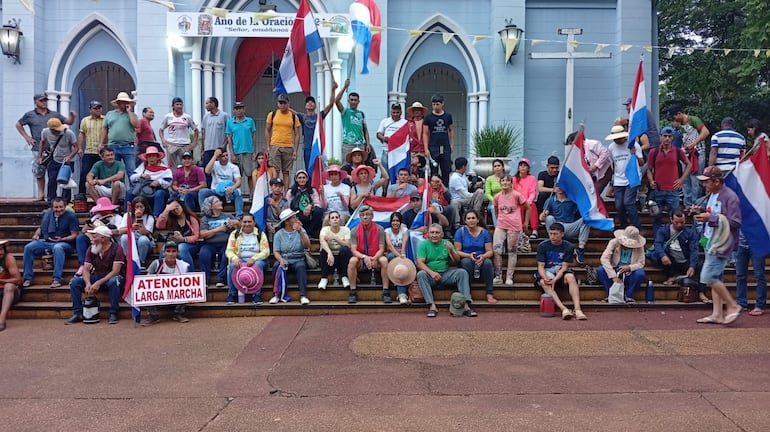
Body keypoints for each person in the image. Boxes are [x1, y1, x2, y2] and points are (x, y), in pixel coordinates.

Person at [690, 166, 742, 325]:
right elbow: (713, 213)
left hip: (721, 243)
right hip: (709, 240)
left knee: (708, 277)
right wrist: (701, 211)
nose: (704, 185)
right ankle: (717, 314)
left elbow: (735, 222)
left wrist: (710, 218)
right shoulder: (713, 194)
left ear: (717, 181)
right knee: (716, 278)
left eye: (707, 182)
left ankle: (733, 305)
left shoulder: (730, 197)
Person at [17, 93, 76, 201]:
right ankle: (41, 195)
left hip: (56, 150)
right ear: (35, 102)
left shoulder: (54, 114)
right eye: (41, 101)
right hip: (39, 147)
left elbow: (68, 121)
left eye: (45, 100)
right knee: (40, 172)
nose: (44, 102)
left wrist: (72, 116)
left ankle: (59, 199)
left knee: (56, 174)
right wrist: (27, 137)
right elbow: (18, 124)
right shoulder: (30, 115)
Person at [66, 225, 125, 325]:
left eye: (95, 236)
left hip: (111, 277)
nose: (92, 239)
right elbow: (86, 269)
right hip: (97, 276)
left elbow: (115, 271)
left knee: (114, 281)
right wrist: (88, 282)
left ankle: (113, 313)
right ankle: (78, 313)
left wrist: (99, 282)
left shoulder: (117, 249)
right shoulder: (91, 249)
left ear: (103, 238)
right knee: (75, 282)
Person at [416, 223, 477, 318]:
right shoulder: (424, 244)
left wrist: (451, 251)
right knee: (421, 274)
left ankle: (465, 305)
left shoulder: (447, 243)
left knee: (462, 272)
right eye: (432, 233)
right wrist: (432, 273)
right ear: (428, 234)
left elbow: (457, 261)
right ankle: (432, 306)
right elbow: (419, 263)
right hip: (430, 275)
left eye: (437, 233)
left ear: (442, 234)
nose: (434, 235)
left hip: (446, 274)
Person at [22, 198, 80, 288]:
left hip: (65, 243)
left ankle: (57, 279)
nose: (59, 209)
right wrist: (36, 234)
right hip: (47, 241)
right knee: (29, 247)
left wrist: (63, 239)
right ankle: (28, 278)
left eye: (61, 207)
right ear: (52, 207)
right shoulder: (48, 214)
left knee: (58, 248)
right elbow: (41, 227)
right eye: (56, 207)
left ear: (65, 206)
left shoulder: (71, 216)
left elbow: (75, 235)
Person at [534, 222, 587, 320]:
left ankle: (578, 309)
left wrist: (556, 279)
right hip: (547, 271)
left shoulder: (568, 246)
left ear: (562, 234)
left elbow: (564, 267)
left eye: (555, 234)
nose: (552, 236)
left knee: (571, 277)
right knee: (544, 282)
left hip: (560, 271)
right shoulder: (542, 246)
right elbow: (540, 266)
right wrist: (545, 277)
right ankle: (564, 309)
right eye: (550, 234)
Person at [646, 126, 691, 234]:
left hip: (673, 190)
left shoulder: (677, 151)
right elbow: (649, 169)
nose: (667, 139)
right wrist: (651, 181)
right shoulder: (654, 152)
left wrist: (681, 180)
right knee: (657, 217)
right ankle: (658, 239)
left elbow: (689, 165)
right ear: (660, 137)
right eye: (665, 136)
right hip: (658, 189)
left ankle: (674, 239)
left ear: (673, 138)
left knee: (675, 217)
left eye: (670, 136)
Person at [667, 105, 710, 207]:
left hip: (697, 153)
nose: (674, 120)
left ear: (679, 113)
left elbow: (705, 132)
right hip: (685, 154)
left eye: (674, 118)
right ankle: (688, 205)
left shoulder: (693, 120)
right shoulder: (679, 126)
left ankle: (696, 204)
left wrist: (694, 143)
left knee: (696, 180)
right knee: (685, 180)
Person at [346, 205, 390, 304]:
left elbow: (382, 248)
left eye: (367, 214)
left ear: (372, 216)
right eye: (362, 215)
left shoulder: (380, 229)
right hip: (362, 258)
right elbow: (353, 250)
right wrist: (365, 257)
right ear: (360, 217)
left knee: (384, 260)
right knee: (352, 261)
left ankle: (386, 291)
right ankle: (353, 291)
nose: (365, 217)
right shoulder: (354, 230)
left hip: (376, 257)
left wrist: (374, 258)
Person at [140, 240, 191, 325]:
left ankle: (178, 313)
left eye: (174, 251)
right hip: (158, 297)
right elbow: (146, 282)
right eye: (168, 251)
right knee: (147, 291)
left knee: (186, 289)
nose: (171, 254)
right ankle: (153, 316)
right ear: (164, 253)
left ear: (178, 253)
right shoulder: (156, 264)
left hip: (176, 297)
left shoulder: (184, 266)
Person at [74, 197, 125, 277]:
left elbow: (118, 231)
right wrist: (86, 228)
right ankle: (83, 264)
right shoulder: (96, 217)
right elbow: (84, 230)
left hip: (110, 240)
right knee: (81, 238)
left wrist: (101, 230)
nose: (101, 212)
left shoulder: (117, 218)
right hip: (94, 239)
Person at [225, 213, 269, 304]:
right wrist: (234, 258)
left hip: (257, 260)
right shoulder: (235, 234)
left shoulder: (260, 234)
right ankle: (232, 295)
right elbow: (229, 250)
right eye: (244, 222)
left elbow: (266, 251)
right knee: (232, 266)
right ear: (240, 222)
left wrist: (254, 258)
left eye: (249, 222)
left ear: (254, 222)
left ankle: (256, 295)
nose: (247, 224)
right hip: (240, 259)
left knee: (258, 265)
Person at [539, 185, 589, 264]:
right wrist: (543, 215)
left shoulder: (573, 199)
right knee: (549, 218)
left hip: (569, 226)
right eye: (558, 186)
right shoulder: (550, 200)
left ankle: (580, 249)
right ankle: (553, 240)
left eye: (562, 186)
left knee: (586, 219)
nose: (560, 188)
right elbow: (543, 216)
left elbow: (583, 207)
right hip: (557, 226)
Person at [454, 210, 495, 303]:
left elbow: (490, 251)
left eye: (473, 218)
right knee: (466, 263)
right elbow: (457, 251)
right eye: (468, 218)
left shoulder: (484, 232)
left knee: (488, 263)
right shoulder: (460, 232)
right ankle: (467, 294)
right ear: (465, 221)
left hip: (481, 257)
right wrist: (469, 255)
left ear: (477, 220)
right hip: (466, 257)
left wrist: (483, 257)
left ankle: (489, 293)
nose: (471, 220)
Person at [597, 226, 647, 303]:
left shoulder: (639, 246)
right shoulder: (614, 242)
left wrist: (630, 267)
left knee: (640, 274)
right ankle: (611, 294)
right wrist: (613, 275)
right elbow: (604, 258)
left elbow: (641, 263)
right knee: (600, 270)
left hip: (630, 272)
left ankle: (629, 295)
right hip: (615, 269)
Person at [606, 124, 643, 229]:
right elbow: (612, 164)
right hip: (618, 180)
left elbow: (641, 162)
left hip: (631, 178)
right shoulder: (611, 147)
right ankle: (624, 225)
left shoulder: (633, 145)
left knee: (628, 203)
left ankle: (637, 226)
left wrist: (634, 154)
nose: (616, 140)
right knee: (619, 206)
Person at [200, 195, 241, 288]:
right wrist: (219, 229)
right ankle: (205, 280)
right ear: (211, 206)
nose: (220, 202)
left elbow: (240, 227)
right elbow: (203, 234)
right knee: (203, 254)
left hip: (225, 243)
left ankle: (221, 279)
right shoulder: (205, 219)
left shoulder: (228, 216)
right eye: (217, 201)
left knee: (227, 254)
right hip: (209, 244)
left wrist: (237, 223)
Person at [272, 209, 312, 305]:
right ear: (286, 221)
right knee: (276, 265)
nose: (296, 219)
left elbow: (307, 245)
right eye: (293, 217)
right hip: (285, 259)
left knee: (301, 266)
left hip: (298, 258)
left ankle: (303, 295)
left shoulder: (301, 230)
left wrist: (300, 233)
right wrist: (281, 259)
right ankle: (277, 294)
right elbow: (276, 251)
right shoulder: (279, 234)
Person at [493, 174, 526, 286]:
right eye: (503, 181)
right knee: (496, 250)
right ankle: (498, 276)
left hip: (514, 226)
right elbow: (496, 209)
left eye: (507, 181)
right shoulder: (497, 196)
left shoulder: (517, 195)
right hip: (501, 225)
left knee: (512, 251)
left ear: (511, 183)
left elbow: (528, 207)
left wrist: (525, 222)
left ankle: (509, 277)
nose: (505, 183)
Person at [38, 118, 79, 203]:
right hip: (54, 159)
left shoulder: (68, 133)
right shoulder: (45, 132)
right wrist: (40, 156)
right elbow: (42, 143)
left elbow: (76, 147)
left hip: (67, 161)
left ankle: (66, 201)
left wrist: (69, 156)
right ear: (51, 130)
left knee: (65, 183)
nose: (58, 132)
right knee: (52, 181)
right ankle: (51, 201)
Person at [298, 82, 337, 171]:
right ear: (305, 106)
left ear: (315, 105)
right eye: (308, 102)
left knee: (319, 169)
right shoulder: (302, 116)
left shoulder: (319, 115)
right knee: (309, 169)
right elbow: (290, 111)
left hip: (318, 146)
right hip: (307, 147)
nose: (310, 103)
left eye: (312, 102)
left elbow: (331, 104)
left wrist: (333, 90)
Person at [266, 94, 302, 188]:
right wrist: (268, 145)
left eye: (284, 103)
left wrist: (295, 150)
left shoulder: (293, 116)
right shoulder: (272, 114)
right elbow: (267, 129)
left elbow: (297, 134)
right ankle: (275, 191)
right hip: (275, 145)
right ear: (278, 104)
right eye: (280, 103)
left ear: (288, 103)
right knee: (275, 170)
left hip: (288, 146)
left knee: (286, 171)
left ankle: (285, 193)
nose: (282, 105)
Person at [127, 146, 173, 217]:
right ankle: (127, 215)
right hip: (143, 187)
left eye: (153, 156)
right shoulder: (143, 166)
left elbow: (169, 182)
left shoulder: (165, 169)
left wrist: (159, 182)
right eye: (149, 156)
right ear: (147, 158)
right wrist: (141, 175)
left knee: (159, 194)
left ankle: (156, 216)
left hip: (158, 189)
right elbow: (132, 177)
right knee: (129, 193)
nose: (151, 158)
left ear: (157, 157)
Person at [102, 91, 140, 176]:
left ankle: (133, 189)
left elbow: (136, 125)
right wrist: (101, 143)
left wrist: (130, 112)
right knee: (115, 171)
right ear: (118, 103)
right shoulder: (110, 114)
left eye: (126, 102)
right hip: (113, 146)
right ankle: (117, 188)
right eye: (122, 102)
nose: (124, 103)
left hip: (128, 146)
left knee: (131, 171)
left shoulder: (132, 115)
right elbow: (104, 129)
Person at [199, 146, 244, 218]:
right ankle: (205, 213)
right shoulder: (215, 164)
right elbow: (207, 171)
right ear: (219, 158)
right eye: (223, 156)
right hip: (215, 192)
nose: (226, 157)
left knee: (237, 192)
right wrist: (214, 156)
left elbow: (238, 181)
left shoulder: (233, 167)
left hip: (228, 193)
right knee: (202, 192)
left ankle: (239, 216)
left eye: (227, 155)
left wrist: (233, 188)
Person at [155, 198, 200, 269]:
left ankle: (190, 273)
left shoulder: (191, 218)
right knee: (164, 248)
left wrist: (183, 239)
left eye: (177, 207)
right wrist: (166, 210)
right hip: (174, 243)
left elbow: (196, 236)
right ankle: (163, 272)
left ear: (181, 205)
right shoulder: (171, 219)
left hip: (191, 245)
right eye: (172, 210)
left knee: (181, 248)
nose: (175, 210)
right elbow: (158, 226)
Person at [567, 130, 612, 196]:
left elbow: (605, 154)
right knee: (590, 194)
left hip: (604, 171)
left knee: (595, 193)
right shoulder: (578, 151)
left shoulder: (593, 144)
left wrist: (596, 166)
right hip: (592, 175)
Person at [335, 78, 371, 160]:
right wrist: (345, 87)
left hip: (360, 145)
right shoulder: (345, 112)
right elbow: (336, 101)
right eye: (351, 100)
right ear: (348, 101)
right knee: (346, 167)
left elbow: (365, 130)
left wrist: (368, 144)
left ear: (358, 101)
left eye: (355, 100)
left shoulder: (361, 114)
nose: (353, 102)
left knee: (359, 168)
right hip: (348, 144)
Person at [226, 101, 257, 192]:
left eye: (241, 108)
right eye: (237, 109)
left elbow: (253, 136)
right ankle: (236, 194)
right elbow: (229, 138)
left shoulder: (250, 121)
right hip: (236, 152)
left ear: (244, 109)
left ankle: (251, 195)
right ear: (234, 110)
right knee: (236, 176)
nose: (239, 110)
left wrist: (254, 151)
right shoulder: (230, 122)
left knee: (250, 174)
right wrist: (231, 153)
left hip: (248, 151)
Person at [159, 97, 198, 169]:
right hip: (171, 144)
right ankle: (173, 179)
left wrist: (194, 143)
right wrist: (163, 140)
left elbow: (195, 130)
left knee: (187, 165)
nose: (179, 106)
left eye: (181, 104)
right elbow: (161, 130)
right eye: (177, 104)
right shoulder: (168, 117)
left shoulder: (187, 117)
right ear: (173, 106)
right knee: (171, 166)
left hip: (184, 144)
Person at [423, 94, 454, 186]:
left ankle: (445, 191)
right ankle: (433, 192)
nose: (435, 106)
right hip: (433, 146)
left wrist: (451, 144)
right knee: (433, 169)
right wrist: (426, 148)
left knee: (446, 169)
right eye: (434, 104)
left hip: (445, 146)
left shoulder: (448, 116)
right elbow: (425, 133)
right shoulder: (428, 117)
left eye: (437, 104)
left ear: (442, 104)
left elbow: (451, 130)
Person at [735, 230, 767, 316]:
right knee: (740, 275)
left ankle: (759, 305)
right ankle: (741, 303)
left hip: (757, 244)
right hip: (740, 244)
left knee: (759, 275)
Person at [318, 210, 352, 290]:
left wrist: (335, 238)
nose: (335, 219)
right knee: (324, 251)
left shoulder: (346, 229)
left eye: (337, 217)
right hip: (329, 259)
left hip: (341, 259)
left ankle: (344, 276)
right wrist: (329, 252)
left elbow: (348, 245)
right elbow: (322, 241)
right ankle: (324, 278)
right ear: (329, 222)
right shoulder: (325, 229)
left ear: (340, 220)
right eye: (332, 218)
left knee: (345, 249)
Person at [200, 97, 230, 187]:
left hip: (220, 149)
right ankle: (209, 190)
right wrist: (203, 149)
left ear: (213, 104)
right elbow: (204, 134)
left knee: (220, 170)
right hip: (208, 149)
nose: (206, 105)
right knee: (207, 171)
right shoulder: (206, 117)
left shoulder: (224, 115)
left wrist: (223, 147)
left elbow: (228, 133)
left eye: (207, 103)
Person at [77, 100, 105, 195]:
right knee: (85, 172)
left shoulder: (105, 120)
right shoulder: (85, 120)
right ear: (90, 109)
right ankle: (81, 194)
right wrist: (80, 147)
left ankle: (101, 193)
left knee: (102, 173)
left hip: (102, 152)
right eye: (95, 108)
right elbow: (82, 134)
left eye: (99, 108)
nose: (98, 110)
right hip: (89, 150)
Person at [286, 170, 324, 238]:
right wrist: (294, 217)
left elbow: (317, 204)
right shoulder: (291, 192)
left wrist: (310, 206)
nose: (302, 179)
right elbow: (287, 207)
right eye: (299, 178)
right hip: (296, 216)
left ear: (307, 179)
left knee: (319, 211)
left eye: (304, 177)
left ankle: (308, 233)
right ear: (296, 179)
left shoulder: (312, 191)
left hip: (309, 216)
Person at [119, 196, 155, 267]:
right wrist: (131, 227)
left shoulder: (149, 217)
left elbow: (145, 233)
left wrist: (139, 219)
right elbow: (121, 231)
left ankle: (141, 263)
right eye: (137, 207)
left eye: (141, 207)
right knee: (124, 238)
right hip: (131, 238)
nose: (139, 209)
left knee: (143, 240)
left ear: (145, 207)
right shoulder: (127, 215)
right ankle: (128, 261)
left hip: (145, 241)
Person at [384, 212, 410, 303]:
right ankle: (400, 290)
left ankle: (402, 294)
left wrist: (402, 255)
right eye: (393, 221)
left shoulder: (404, 230)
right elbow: (390, 247)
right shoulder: (387, 231)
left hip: (402, 255)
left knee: (403, 266)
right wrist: (399, 256)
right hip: (391, 255)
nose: (395, 223)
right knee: (392, 257)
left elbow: (404, 245)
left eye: (397, 221)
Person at [513, 158, 538, 239]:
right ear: (518, 168)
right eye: (521, 165)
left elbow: (532, 192)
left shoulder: (532, 178)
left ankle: (534, 229)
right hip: (518, 201)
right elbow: (513, 192)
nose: (523, 167)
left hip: (528, 201)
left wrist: (529, 201)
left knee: (532, 206)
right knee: (519, 208)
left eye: (525, 166)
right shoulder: (514, 179)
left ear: (528, 168)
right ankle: (521, 230)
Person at [0, 240, 22, 331]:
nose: (0, 252)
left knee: (9, 285)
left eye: (1, 249)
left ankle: (2, 320)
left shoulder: (8, 258)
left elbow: (18, 280)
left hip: (11, 292)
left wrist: (1, 280)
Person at [485, 158, 506, 226]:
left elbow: (512, 191)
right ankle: (498, 228)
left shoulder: (507, 178)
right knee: (494, 208)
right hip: (493, 203)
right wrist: (495, 201)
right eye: (495, 166)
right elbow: (487, 194)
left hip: (506, 201)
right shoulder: (489, 179)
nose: (497, 168)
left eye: (499, 166)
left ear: (502, 167)